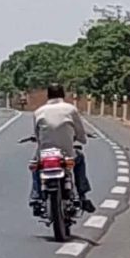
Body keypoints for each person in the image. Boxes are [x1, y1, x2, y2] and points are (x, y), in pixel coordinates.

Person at [27, 82, 94, 212]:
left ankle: (36, 196)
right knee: (79, 159)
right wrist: (81, 139)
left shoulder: (38, 112)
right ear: (63, 94)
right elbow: (80, 132)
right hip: (67, 153)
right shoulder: (70, 109)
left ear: (48, 95)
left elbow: (37, 135)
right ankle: (82, 195)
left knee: (36, 165)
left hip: (45, 153)